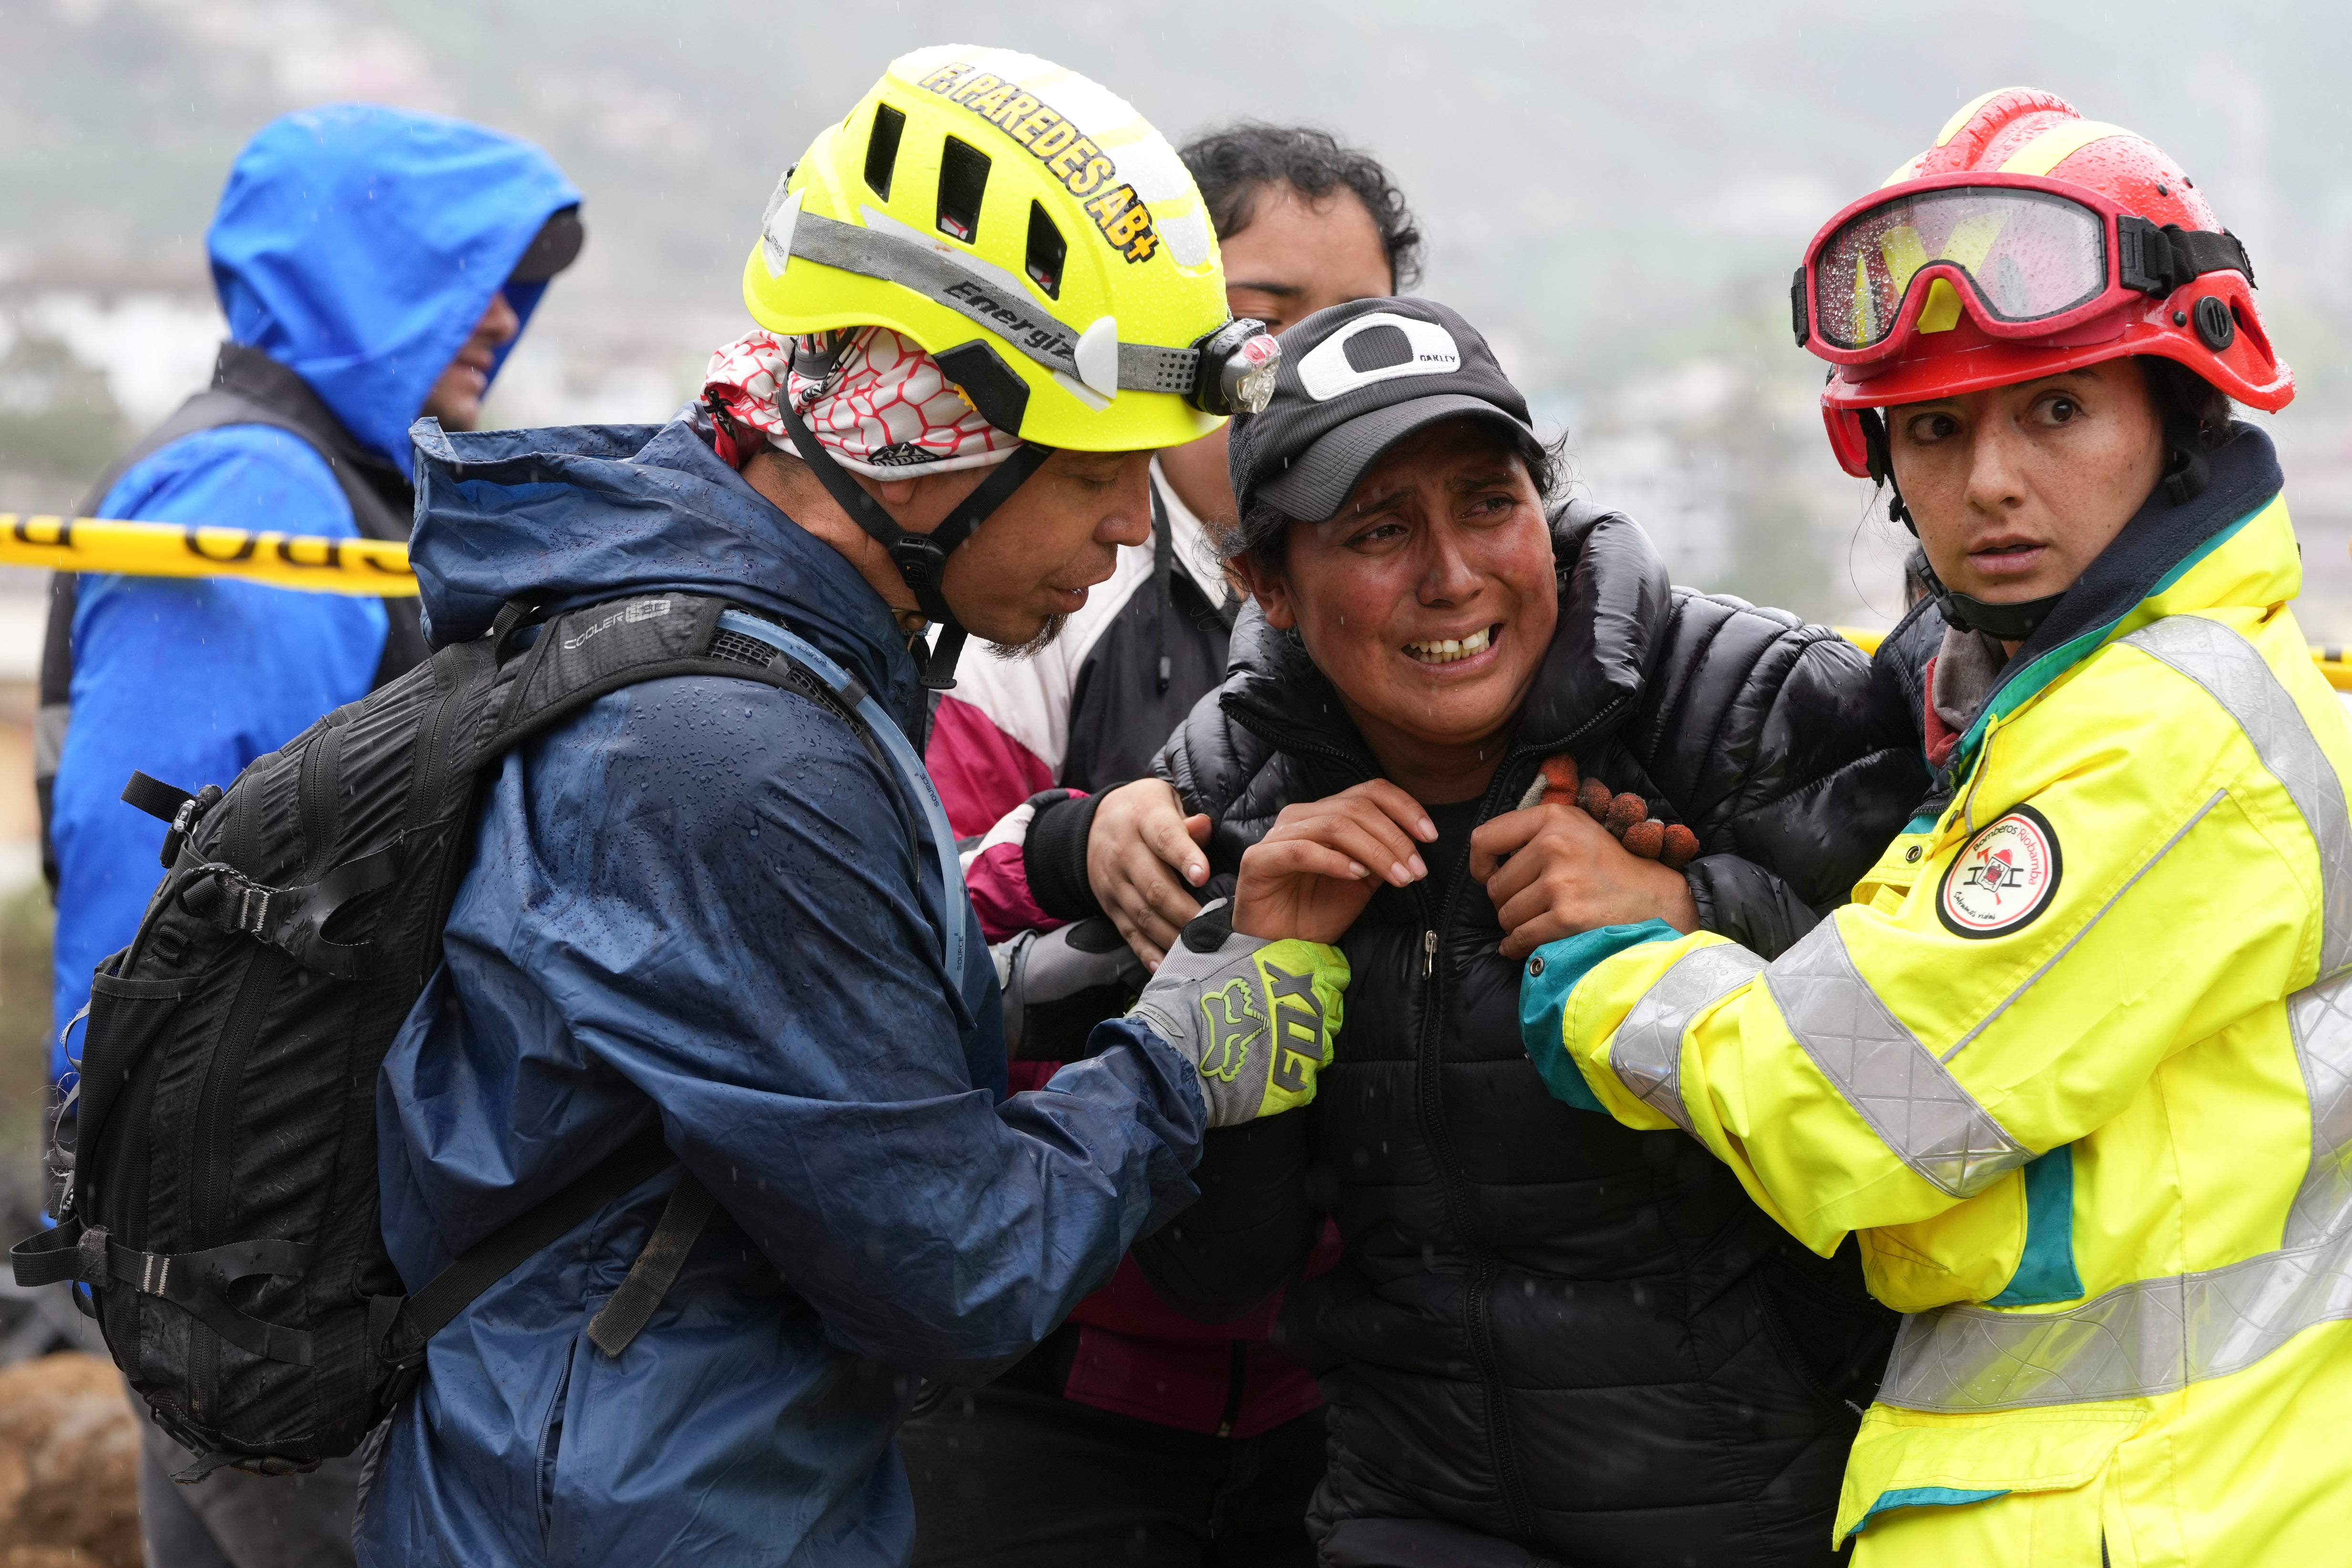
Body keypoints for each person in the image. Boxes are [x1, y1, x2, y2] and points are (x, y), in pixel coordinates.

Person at [354, 48, 1349, 1567]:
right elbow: (959, 1267)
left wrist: (1026, 970)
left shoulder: (750, 633)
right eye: (1093, 464)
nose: (1122, 522)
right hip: (642, 1516)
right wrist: (1178, 1060)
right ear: (936, 422)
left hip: (616, 1467)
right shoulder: (734, 753)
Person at [1519, 88, 2332, 1564]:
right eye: (1937, 429)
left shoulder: (2159, 738)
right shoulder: (2059, 699)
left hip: (2142, 1516)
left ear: (2182, 404)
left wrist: (1622, 958)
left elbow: (1852, 1109)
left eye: (2058, 409)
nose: (1992, 481)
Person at [1101, 295, 1930, 1566]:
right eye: (1378, 530)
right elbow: (1220, 1269)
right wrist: (1250, 975)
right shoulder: (1237, 781)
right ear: (1263, 577)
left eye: (1490, 503)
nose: (1451, 575)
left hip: (1770, 1507)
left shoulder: (1749, 704)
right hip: (1412, 1511)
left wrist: (1691, 914)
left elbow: (1940, 1082)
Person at [37, 103, 581, 1568]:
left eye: (513, 291)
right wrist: (175, 1248)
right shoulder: (255, 494)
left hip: (244, 1246)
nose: (498, 324)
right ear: (357, 277)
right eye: (460, 278)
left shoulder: (328, 484)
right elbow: (153, 898)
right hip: (260, 1260)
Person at [900, 124, 1416, 1568]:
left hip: (1347, 1381)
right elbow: (898, 918)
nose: (1297, 371)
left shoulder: (1454, 601)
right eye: (1255, 324)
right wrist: (1074, 846)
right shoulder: (1038, 589)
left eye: (1356, 325)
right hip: (1049, 1375)